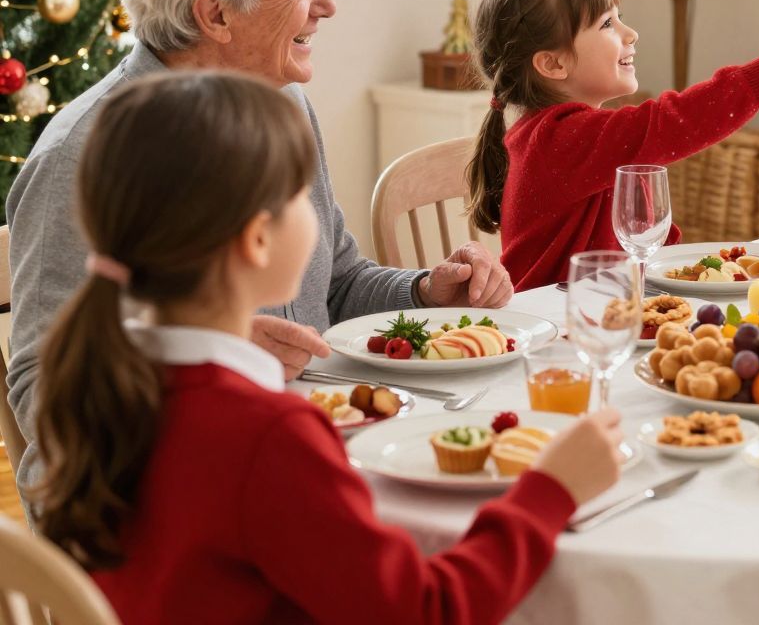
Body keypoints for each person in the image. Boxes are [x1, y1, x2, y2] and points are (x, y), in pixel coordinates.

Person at [28, 71, 624, 624]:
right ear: (257, 239)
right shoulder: (268, 437)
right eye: (298, 197)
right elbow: (427, 610)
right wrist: (551, 491)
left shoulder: (106, 386)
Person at [6, 0, 511, 506]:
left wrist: (424, 291)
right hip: (170, 518)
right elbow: (45, 405)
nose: (328, 4)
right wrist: (204, 363)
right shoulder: (86, 156)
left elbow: (335, 285)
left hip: (297, 458)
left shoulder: (283, 106)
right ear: (216, 14)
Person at [467, 0, 759, 290]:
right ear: (553, 65)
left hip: (601, 314)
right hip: (559, 332)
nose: (630, 33)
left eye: (619, 17)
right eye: (606, 24)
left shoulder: (580, 136)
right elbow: (676, 122)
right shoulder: (559, 140)